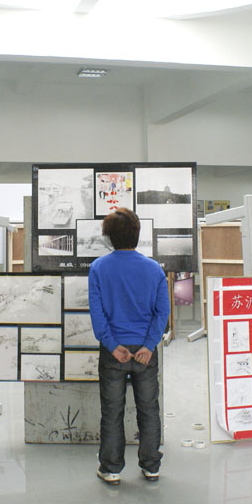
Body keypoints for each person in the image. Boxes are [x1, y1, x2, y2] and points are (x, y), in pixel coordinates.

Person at [88, 207, 169, 485]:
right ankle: (151, 465)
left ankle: (111, 468)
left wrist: (112, 345)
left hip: (114, 353)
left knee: (112, 411)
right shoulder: (154, 269)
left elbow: (98, 314)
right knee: (149, 409)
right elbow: (162, 312)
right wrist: (149, 345)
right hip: (146, 353)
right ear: (137, 233)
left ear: (109, 236)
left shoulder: (98, 268)